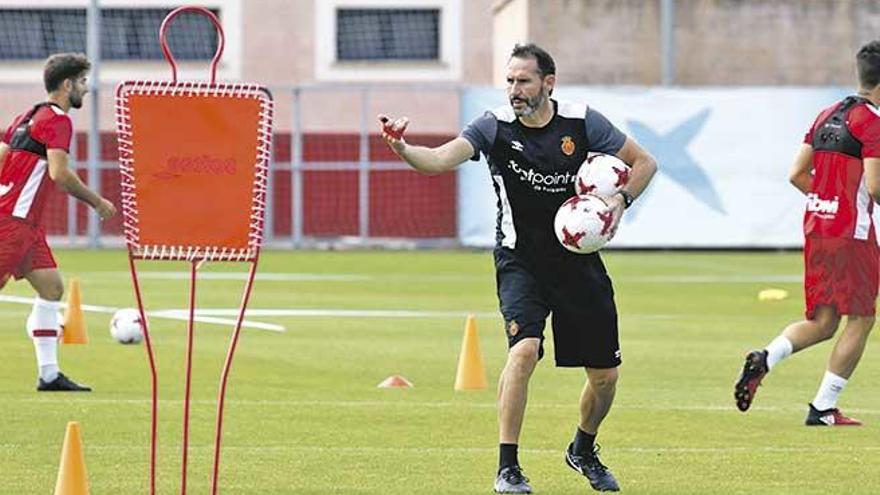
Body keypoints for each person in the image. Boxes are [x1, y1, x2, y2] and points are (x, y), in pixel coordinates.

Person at [379, 43, 657, 493]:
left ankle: (583, 449)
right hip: (519, 259)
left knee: (605, 377)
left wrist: (618, 203)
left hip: (578, 262)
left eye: (523, 80)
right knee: (524, 350)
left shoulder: (582, 121)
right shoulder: (492, 126)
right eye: (509, 81)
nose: (514, 90)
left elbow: (645, 162)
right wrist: (403, 147)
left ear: (548, 83)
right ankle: (508, 467)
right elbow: (438, 161)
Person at [735, 40, 880, 426]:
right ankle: (823, 407)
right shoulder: (873, 123)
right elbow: (876, 185)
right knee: (862, 319)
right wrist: (847, 203)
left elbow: (796, 174)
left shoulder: (825, 115)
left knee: (823, 322)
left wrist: (828, 198)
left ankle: (767, 357)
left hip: (818, 227)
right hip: (853, 234)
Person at [0, 53, 116, 392]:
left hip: (26, 226)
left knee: (52, 288)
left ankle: (49, 374)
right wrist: (97, 202)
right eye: (82, 82)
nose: (86, 89)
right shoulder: (58, 120)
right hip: (12, 223)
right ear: (67, 85)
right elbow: (59, 173)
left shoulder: (28, 115)